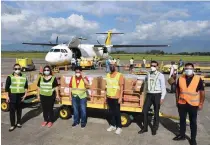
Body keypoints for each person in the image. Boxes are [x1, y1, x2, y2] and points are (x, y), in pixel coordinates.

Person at [173, 63, 205, 145]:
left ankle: (193, 139)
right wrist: (177, 101)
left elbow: (202, 92)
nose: (188, 70)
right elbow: (177, 90)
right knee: (182, 120)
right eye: (186, 68)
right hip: (182, 103)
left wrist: (201, 103)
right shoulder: (180, 78)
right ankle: (182, 135)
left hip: (193, 104)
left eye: (190, 69)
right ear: (184, 69)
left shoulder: (198, 79)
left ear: (193, 69)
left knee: (193, 122)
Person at [138, 60, 166, 135]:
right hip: (149, 95)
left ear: (157, 67)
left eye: (154, 66)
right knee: (144, 111)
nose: (152, 67)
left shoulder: (161, 75)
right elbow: (145, 83)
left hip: (157, 95)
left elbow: (163, 87)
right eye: (151, 65)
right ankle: (145, 128)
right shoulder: (148, 74)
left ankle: (154, 128)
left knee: (156, 112)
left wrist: (162, 98)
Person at [5, 64, 28, 131]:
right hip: (12, 96)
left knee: (19, 110)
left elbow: (26, 86)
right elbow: (7, 88)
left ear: (20, 69)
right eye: (16, 69)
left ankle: (18, 123)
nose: (17, 70)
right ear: (13, 69)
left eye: (18, 69)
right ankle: (12, 125)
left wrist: (25, 94)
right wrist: (7, 97)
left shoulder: (24, 76)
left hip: (20, 96)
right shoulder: (10, 77)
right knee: (12, 111)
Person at [106, 64, 124, 135]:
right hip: (109, 96)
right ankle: (113, 125)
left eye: (113, 66)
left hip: (116, 97)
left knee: (117, 113)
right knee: (111, 112)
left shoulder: (120, 75)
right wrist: (105, 96)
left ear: (116, 67)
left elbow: (121, 87)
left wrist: (120, 97)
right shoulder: (107, 75)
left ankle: (119, 127)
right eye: (110, 66)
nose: (112, 67)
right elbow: (106, 86)